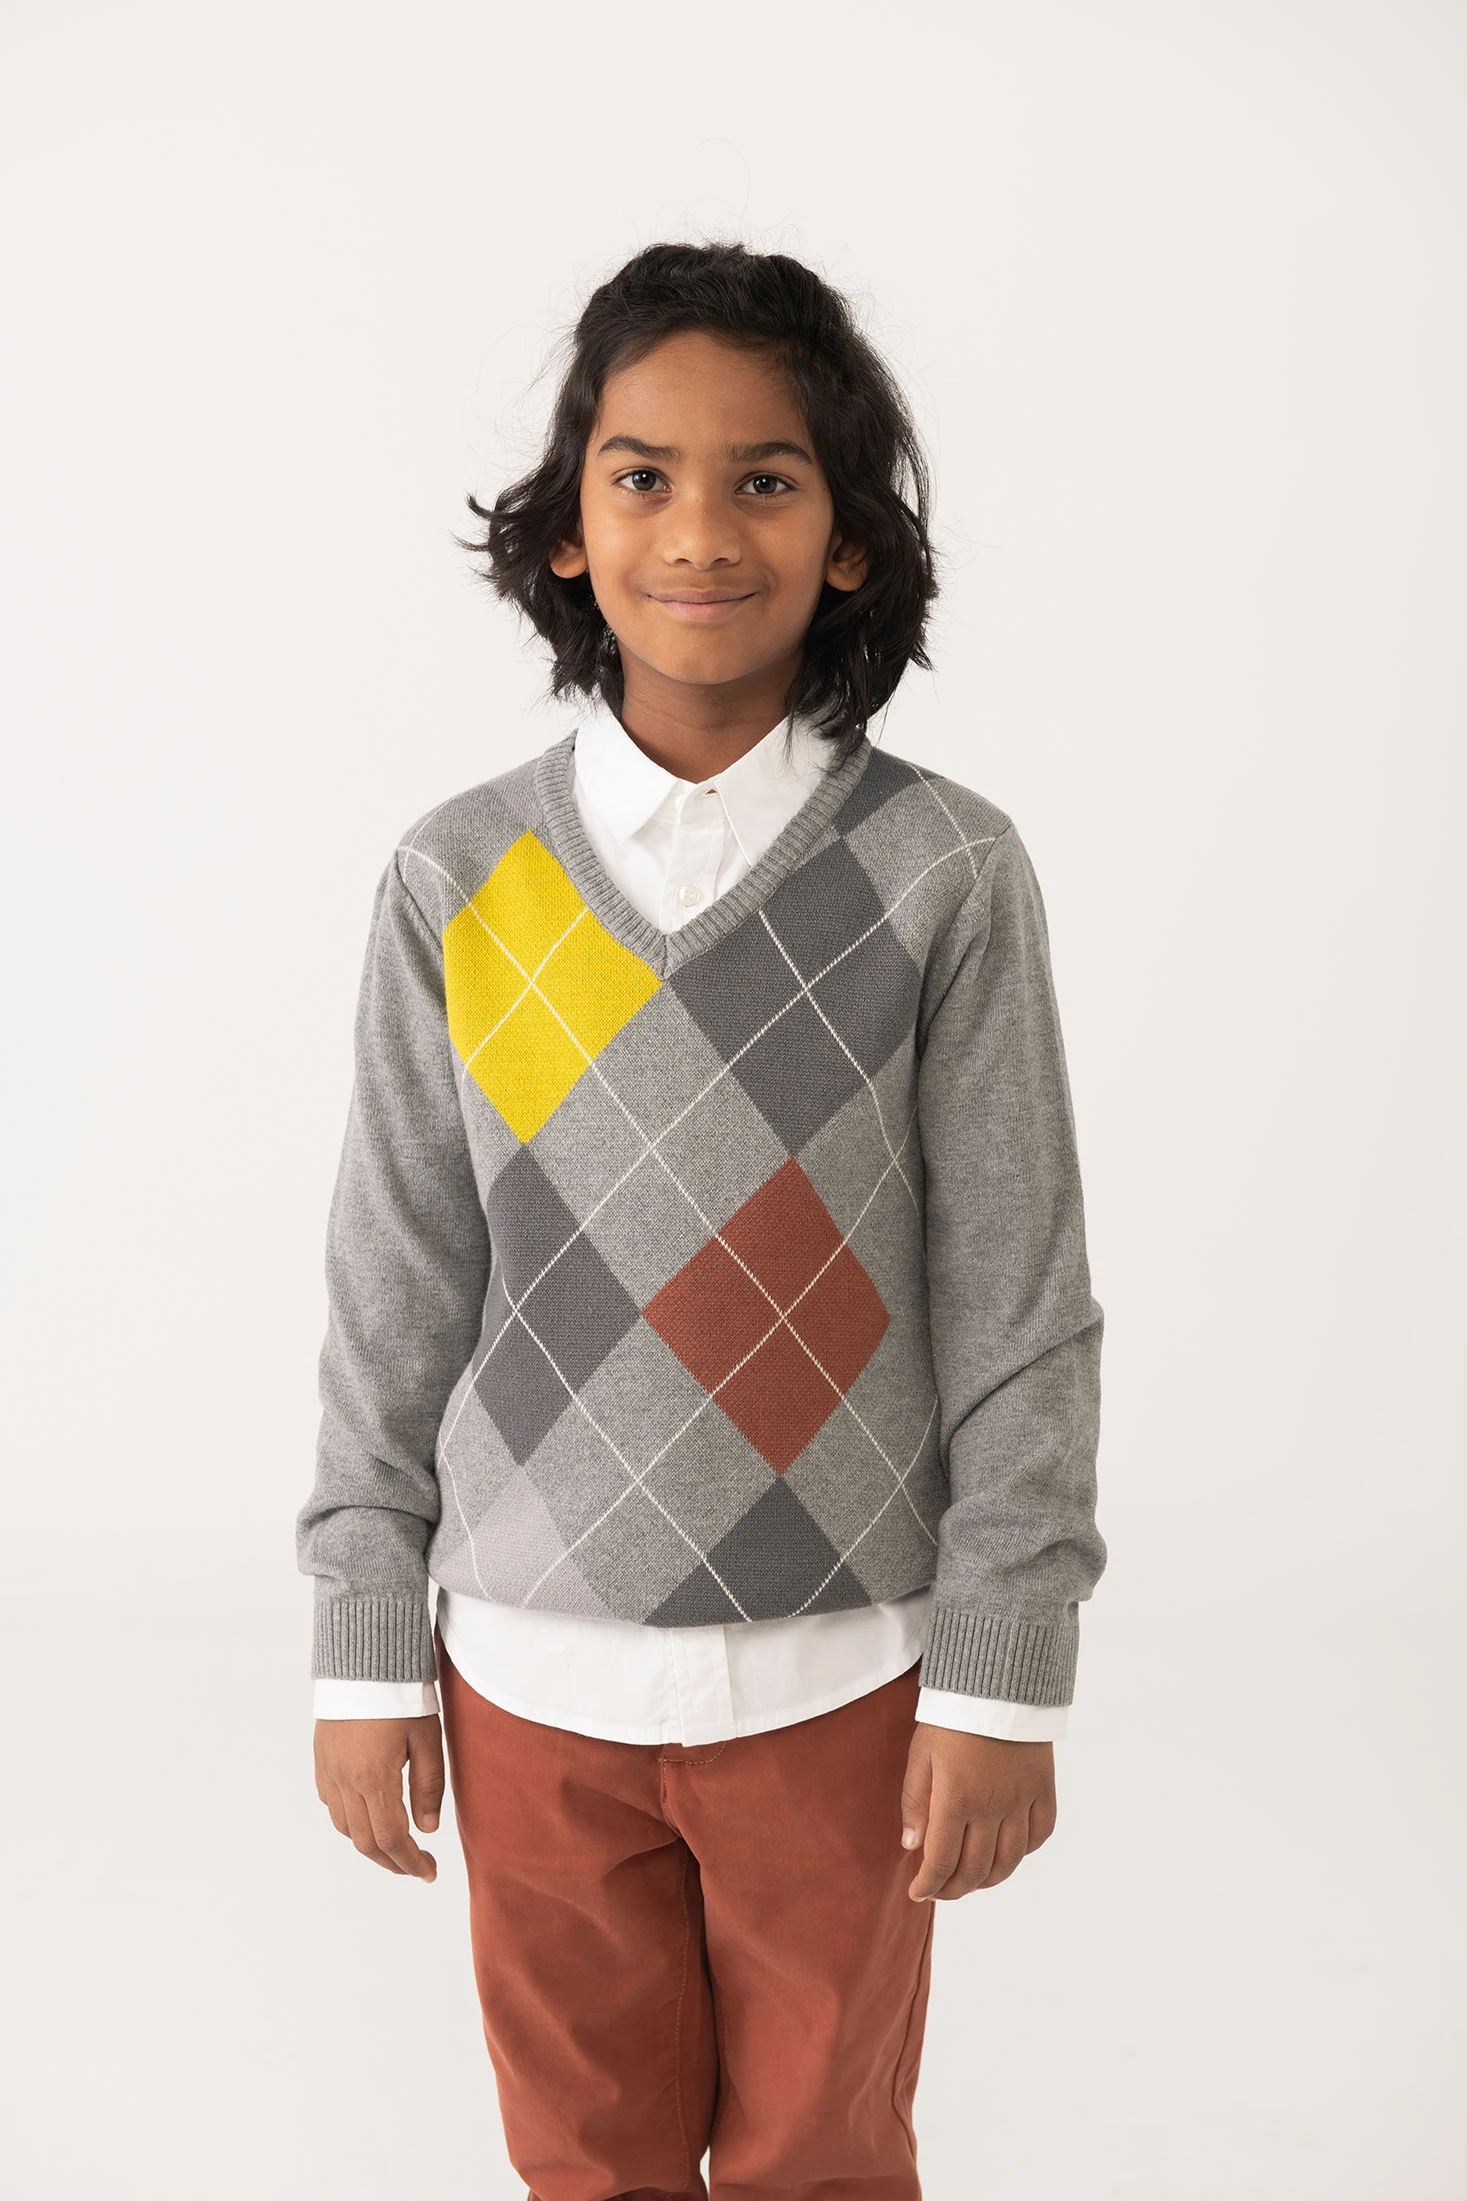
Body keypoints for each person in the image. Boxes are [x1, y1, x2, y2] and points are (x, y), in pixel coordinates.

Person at [297, 239, 1106, 2200]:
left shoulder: (944, 872)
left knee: (827, 2159)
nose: (699, 530)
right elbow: (399, 1272)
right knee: (583, 2160)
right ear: (568, 529)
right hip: (522, 1685)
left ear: (847, 537)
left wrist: (1001, 1667)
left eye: (765, 478)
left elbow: (1016, 1296)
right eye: (642, 474)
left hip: (843, 1678)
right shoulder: (458, 875)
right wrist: (362, 1642)